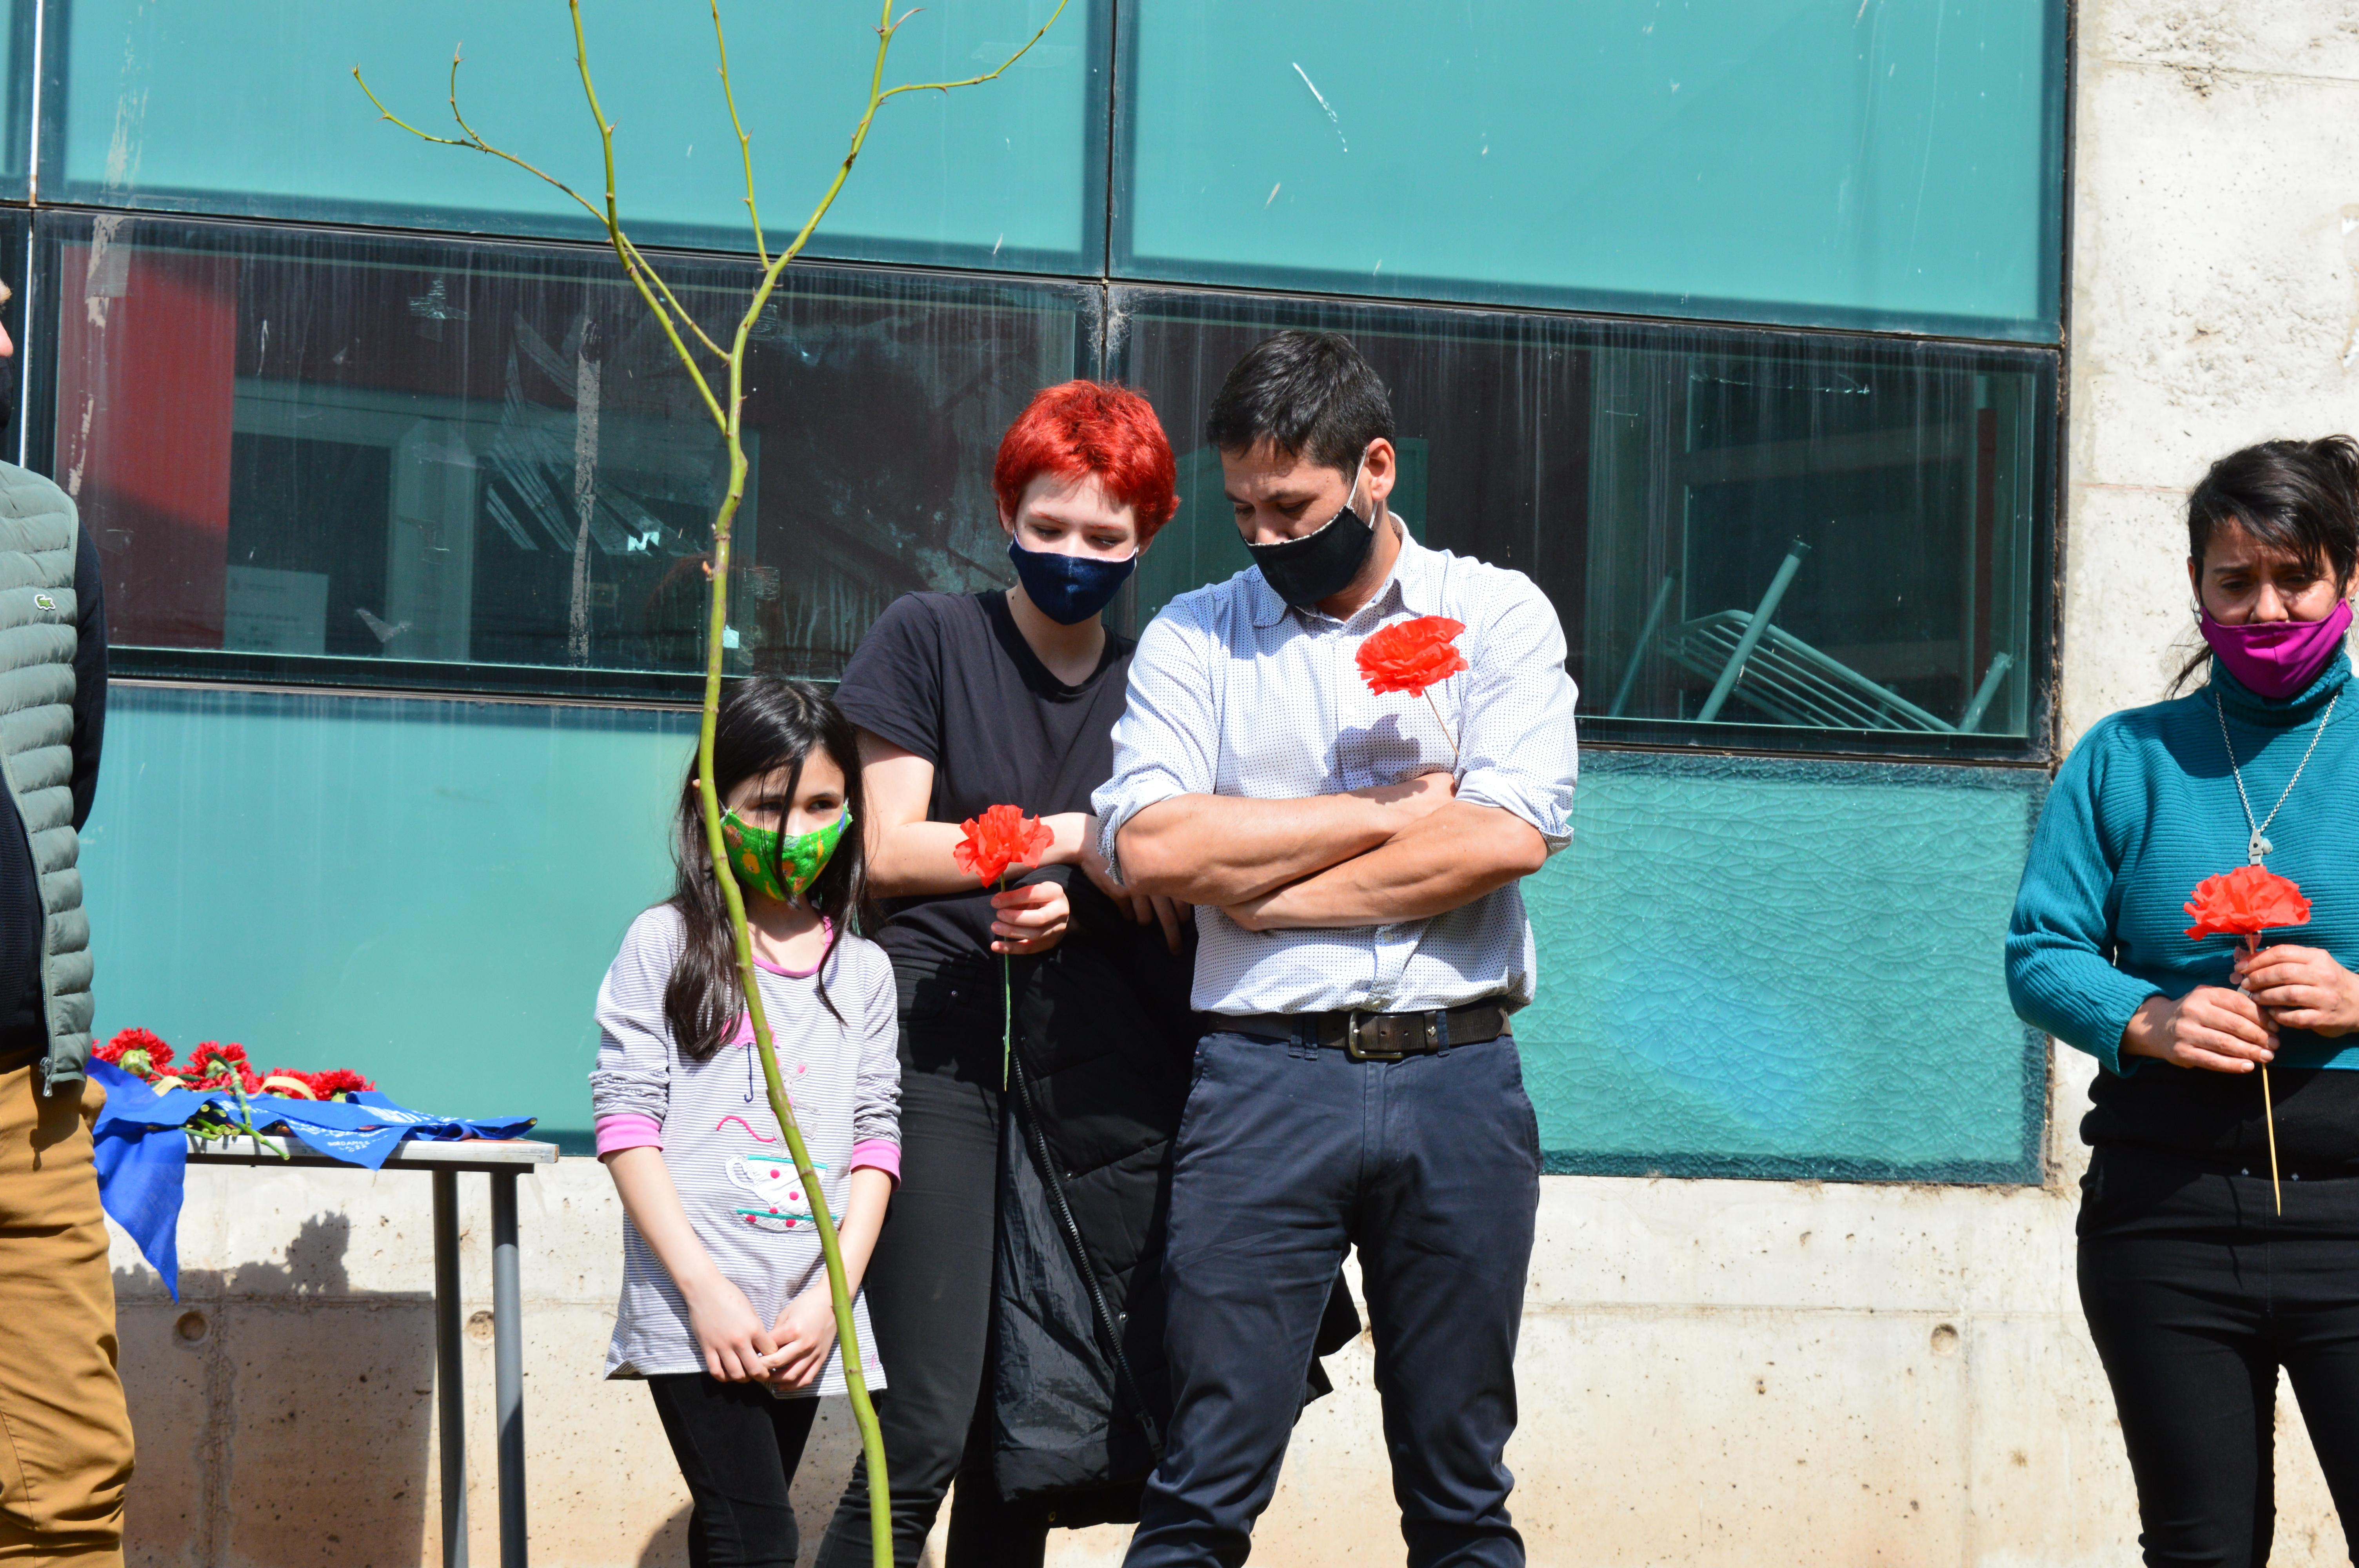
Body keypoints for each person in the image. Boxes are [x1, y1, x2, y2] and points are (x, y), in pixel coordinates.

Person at [1095, 330, 1579, 1566]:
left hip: (1459, 1072)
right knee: (1201, 1481)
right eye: (1243, 508)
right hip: (1264, 1080)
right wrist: (1384, 814)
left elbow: (1509, 835)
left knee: (1462, 1490)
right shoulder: (1197, 638)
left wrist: (1262, 897)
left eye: (1292, 506)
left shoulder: (1496, 613)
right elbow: (1153, 848)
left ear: (1375, 468)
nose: (1262, 535)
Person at [814, 379, 1249, 1567]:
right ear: (1006, 510)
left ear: (1147, 537)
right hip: (940, 1050)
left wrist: (1067, 863)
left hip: (1092, 1078)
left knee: (1035, 1438)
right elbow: (894, 851)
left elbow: (1175, 878)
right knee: (929, 1422)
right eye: (1049, 527)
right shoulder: (930, 636)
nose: (1073, 554)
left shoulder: (1163, 682)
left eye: (1105, 537)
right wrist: (1088, 835)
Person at [2008, 436, 2359, 1568]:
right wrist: (2139, 1019)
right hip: (2167, 1220)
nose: (2265, 608)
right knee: (2200, 1547)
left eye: (2294, 577)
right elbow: (2042, 949)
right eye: (2234, 580)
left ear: (2348, 581)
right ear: (2198, 587)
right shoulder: (2125, 758)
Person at [589, 679, 900, 1568]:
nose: (793, 831)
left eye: (821, 805)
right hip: (698, 1307)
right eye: (766, 805)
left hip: (804, 1304)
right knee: (760, 1535)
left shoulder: (865, 970)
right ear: (711, 802)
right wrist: (704, 1290)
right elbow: (625, 1119)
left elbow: (878, 1138)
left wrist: (828, 1298)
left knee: (733, 1528)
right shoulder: (668, 941)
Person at [0, 272, 130, 1564]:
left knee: (67, 1488)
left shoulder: (43, 528)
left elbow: (65, 786)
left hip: (23, 1108)